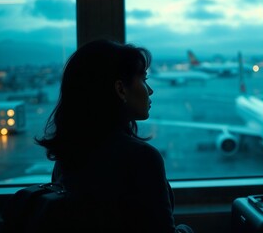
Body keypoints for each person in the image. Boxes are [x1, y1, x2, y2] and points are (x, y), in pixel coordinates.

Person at [35, 39, 194, 233]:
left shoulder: (68, 155)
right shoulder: (142, 158)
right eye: (144, 80)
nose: (150, 90)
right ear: (120, 89)